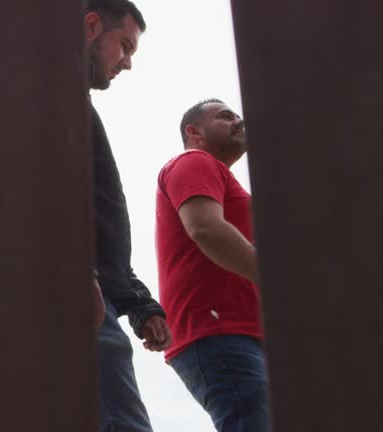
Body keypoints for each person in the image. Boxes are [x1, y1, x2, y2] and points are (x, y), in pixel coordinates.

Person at [84, 2, 172, 431]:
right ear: (92, 26)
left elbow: (101, 232)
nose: (128, 63)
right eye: (125, 46)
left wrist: (140, 302)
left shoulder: (77, 112)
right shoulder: (48, 105)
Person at [155, 99, 267, 432]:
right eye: (225, 116)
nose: (238, 121)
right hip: (218, 330)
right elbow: (206, 229)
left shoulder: (224, 183)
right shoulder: (195, 161)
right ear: (194, 132)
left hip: (238, 333)